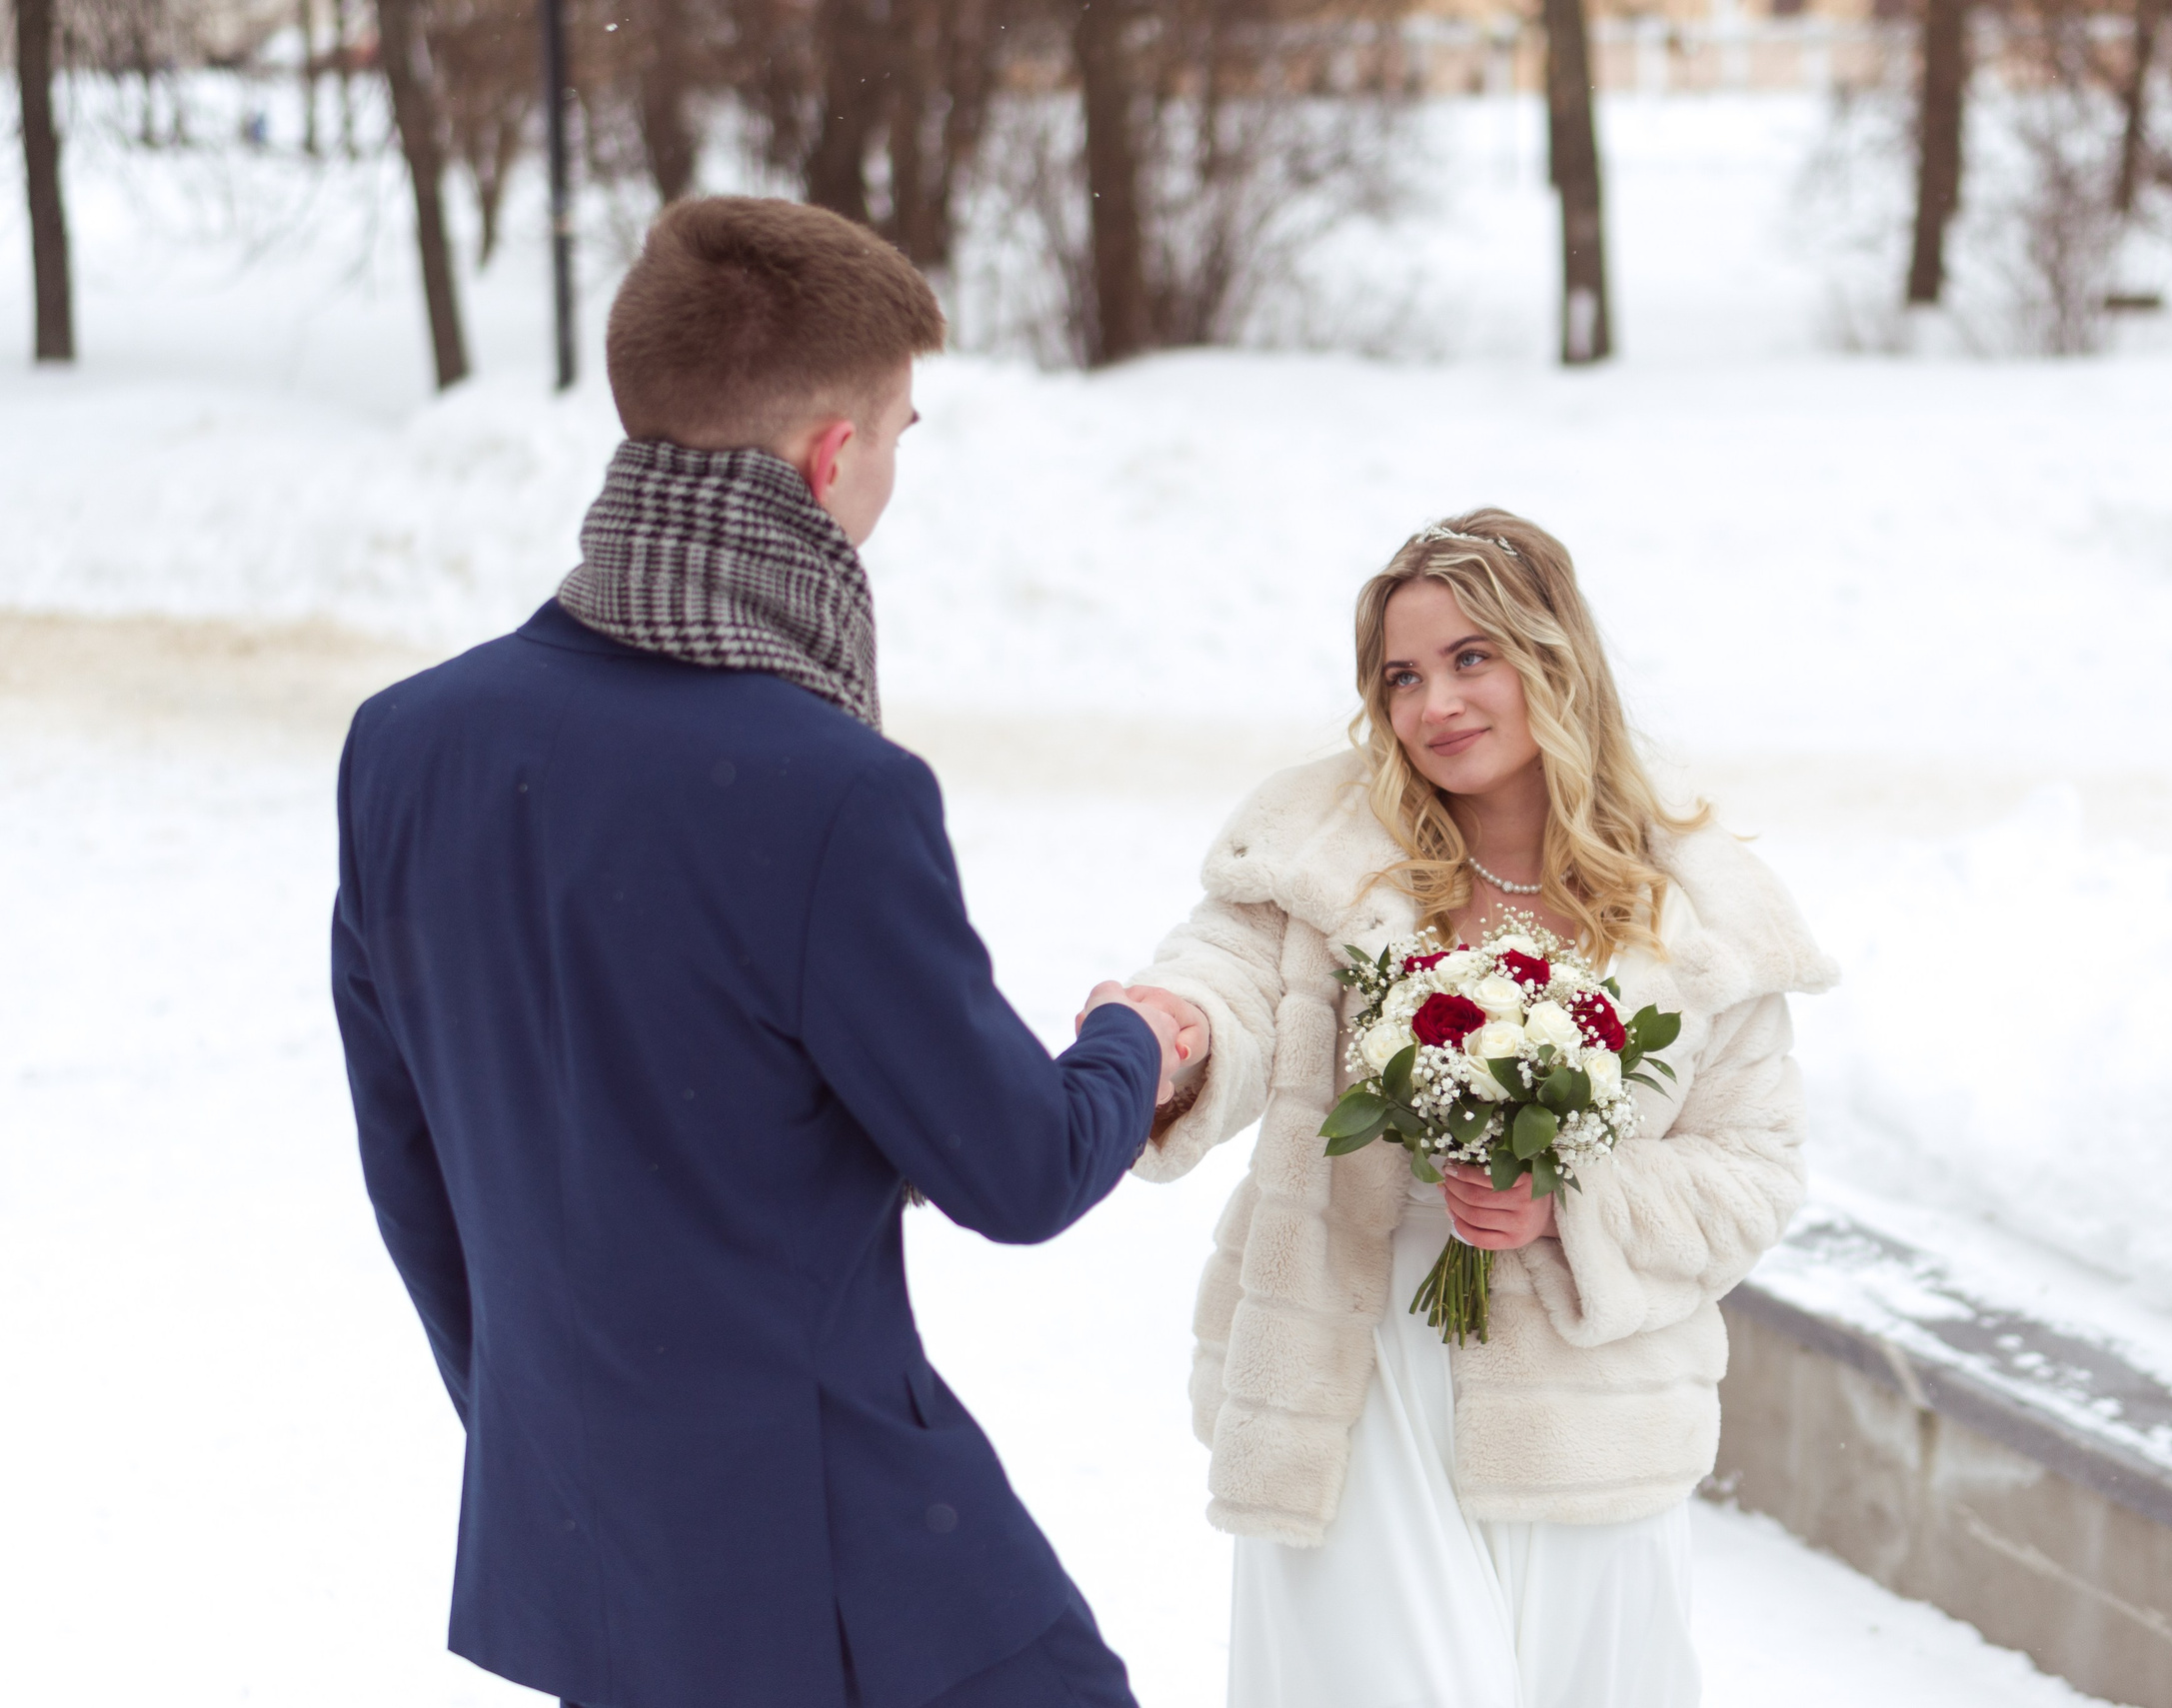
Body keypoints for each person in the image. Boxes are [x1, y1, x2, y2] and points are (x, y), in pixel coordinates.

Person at [331, 197, 1183, 1708]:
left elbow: (416, 1178)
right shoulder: (830, 793)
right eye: (900, 435)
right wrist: (1139, 1039)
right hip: (845, 1563)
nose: (893, 480)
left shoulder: (408, 749)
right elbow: (1020, 1164)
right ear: (830, 457)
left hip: (600, 1557)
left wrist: (584, 1460)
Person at [1122, 512, 1837, 1707]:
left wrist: (1573, 1202)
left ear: (1551, 658)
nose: (1433, 703)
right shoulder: (1324, 851)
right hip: (1354, 1366)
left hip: (1587, 1413)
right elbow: (1226, 979)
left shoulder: (1697, 911)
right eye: (1401, 675)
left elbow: (1754, 1168)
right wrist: (1171, 1032)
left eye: (1470, 658)